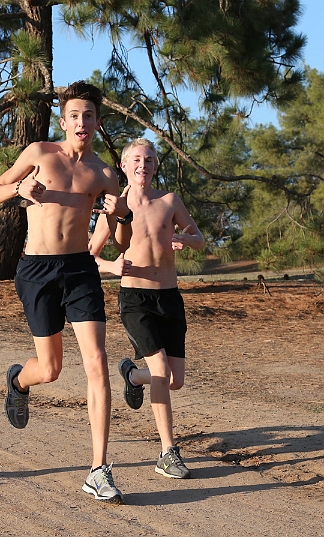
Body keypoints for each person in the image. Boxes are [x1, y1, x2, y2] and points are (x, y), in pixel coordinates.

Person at [0, 81, 130, 504]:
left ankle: (99, 469)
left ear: (98, 123)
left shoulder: (104, 174)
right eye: (74, 115)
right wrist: (18, 190)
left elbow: (122, 238)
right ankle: (18, 380)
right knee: (49, 369)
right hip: (36, 270)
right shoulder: (39, 154)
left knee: (97, 362)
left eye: (89, 116)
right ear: (63, 121)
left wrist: (122, 213)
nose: (82, 122)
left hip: (80, 269)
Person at [90, 137, 205, 479]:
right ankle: (168, 453)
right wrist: (111, 267)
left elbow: (198, 237)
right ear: (124, 166)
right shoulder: (116, 209)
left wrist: (186, 239)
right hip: (136, 300)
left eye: (150, 160)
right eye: (137, 159)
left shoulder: (169, 201)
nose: (144, 165)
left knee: (175, 380)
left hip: (169, 298)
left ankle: (132, 375)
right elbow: (89, 257)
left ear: (156, 166)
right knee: (162, 371)